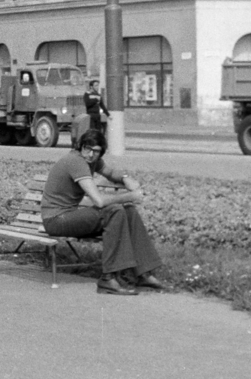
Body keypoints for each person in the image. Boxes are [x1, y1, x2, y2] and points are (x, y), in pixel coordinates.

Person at [42, 127, 163, 296]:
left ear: (101, 153)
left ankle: (142, 273)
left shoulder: (92, 161)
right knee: (114, 211)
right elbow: (98, 201)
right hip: (56, 220)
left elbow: (111, 172)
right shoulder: (76, 162)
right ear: (81, 146)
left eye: (96, 151)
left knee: (129, 211)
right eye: (87, 149)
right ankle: (108, 278)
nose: (91, 154)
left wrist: (126, 178)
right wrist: (130, 195)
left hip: (67, 216)